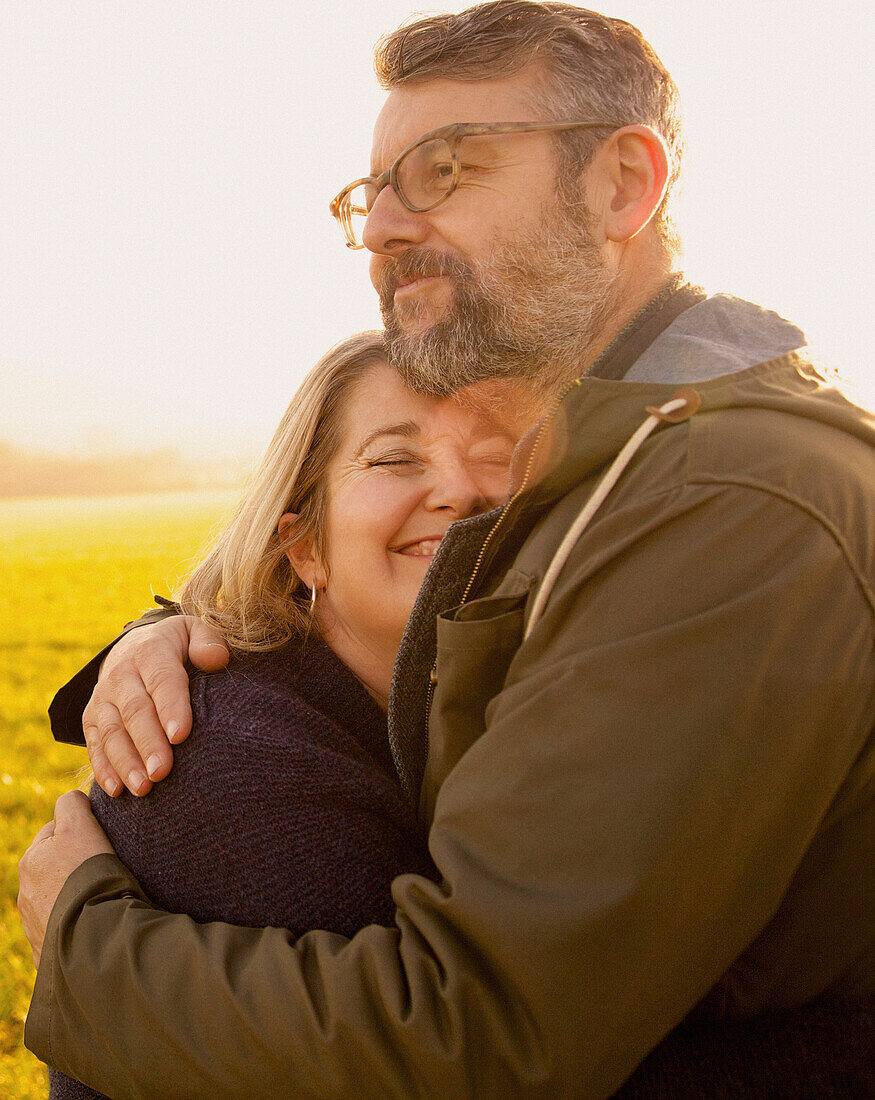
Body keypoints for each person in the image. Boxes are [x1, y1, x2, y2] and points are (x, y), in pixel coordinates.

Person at [19, 2, 874, 1096]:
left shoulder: (720, 500)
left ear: (620, 185)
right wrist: (189, 630)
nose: (380, 224)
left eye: (445, 169)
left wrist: (92, 956)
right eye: (368, 193)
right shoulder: (618, 473)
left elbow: (484, 1040)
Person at [45, 329, 526, 1099]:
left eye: (497, 455)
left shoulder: (480, 719)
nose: (459, 491)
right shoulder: (235, 763)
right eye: (395, 458)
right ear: (304, 544)